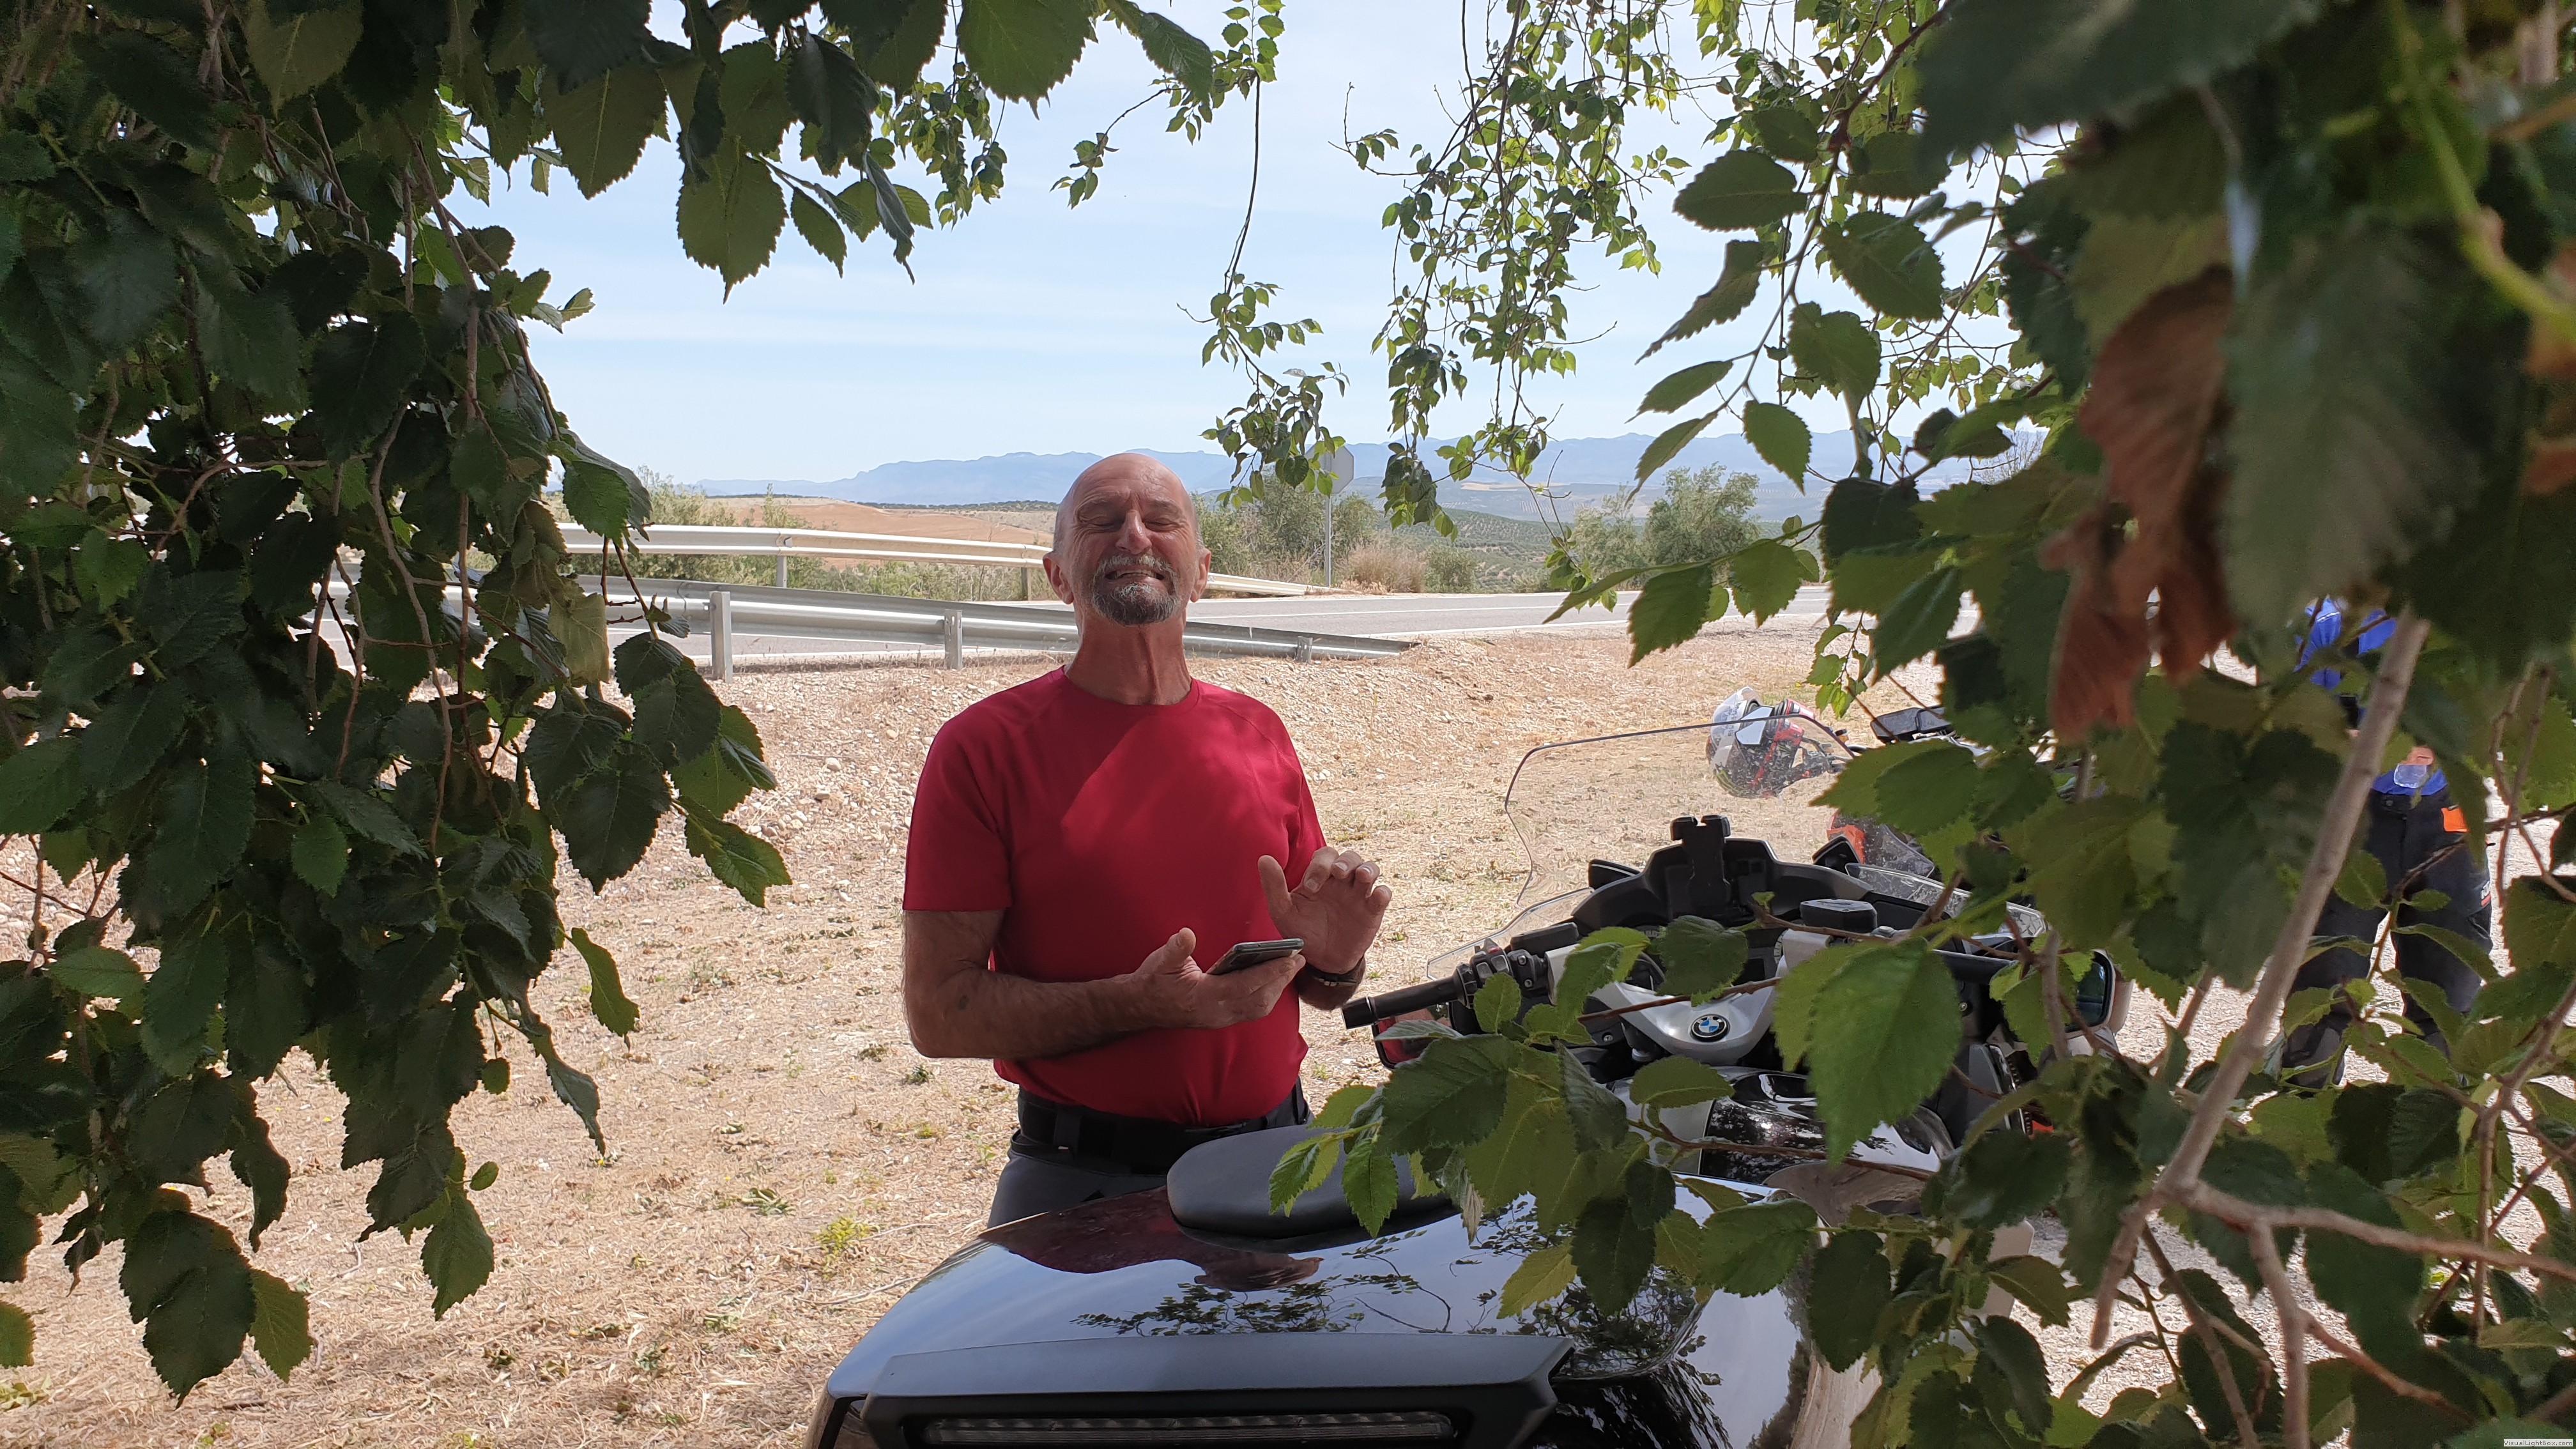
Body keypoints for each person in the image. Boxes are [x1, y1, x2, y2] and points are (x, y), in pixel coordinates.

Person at [900, 454, 1393, 1226]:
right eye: (1101, 522)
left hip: (1279, 1162)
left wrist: (1338, 961)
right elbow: (939, 1013)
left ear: (1201, 572)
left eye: (1161, 520)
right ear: (1057, 575)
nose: (1134, 535)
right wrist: (1138, 1005)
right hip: (1085, 1186)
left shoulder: (1257, 733)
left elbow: (1315, 988)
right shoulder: (983, 751)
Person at [2277, 600, 2490, 1080]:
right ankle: (2306, 1109)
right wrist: (2376, 741)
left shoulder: (2475, 622)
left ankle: (2436, 1118)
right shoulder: (2325, 627)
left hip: (2446, 818)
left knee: (2451, 1000)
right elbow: (2287, 728)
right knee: (2322, 991)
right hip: (2350, 819)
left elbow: (2508, 720)